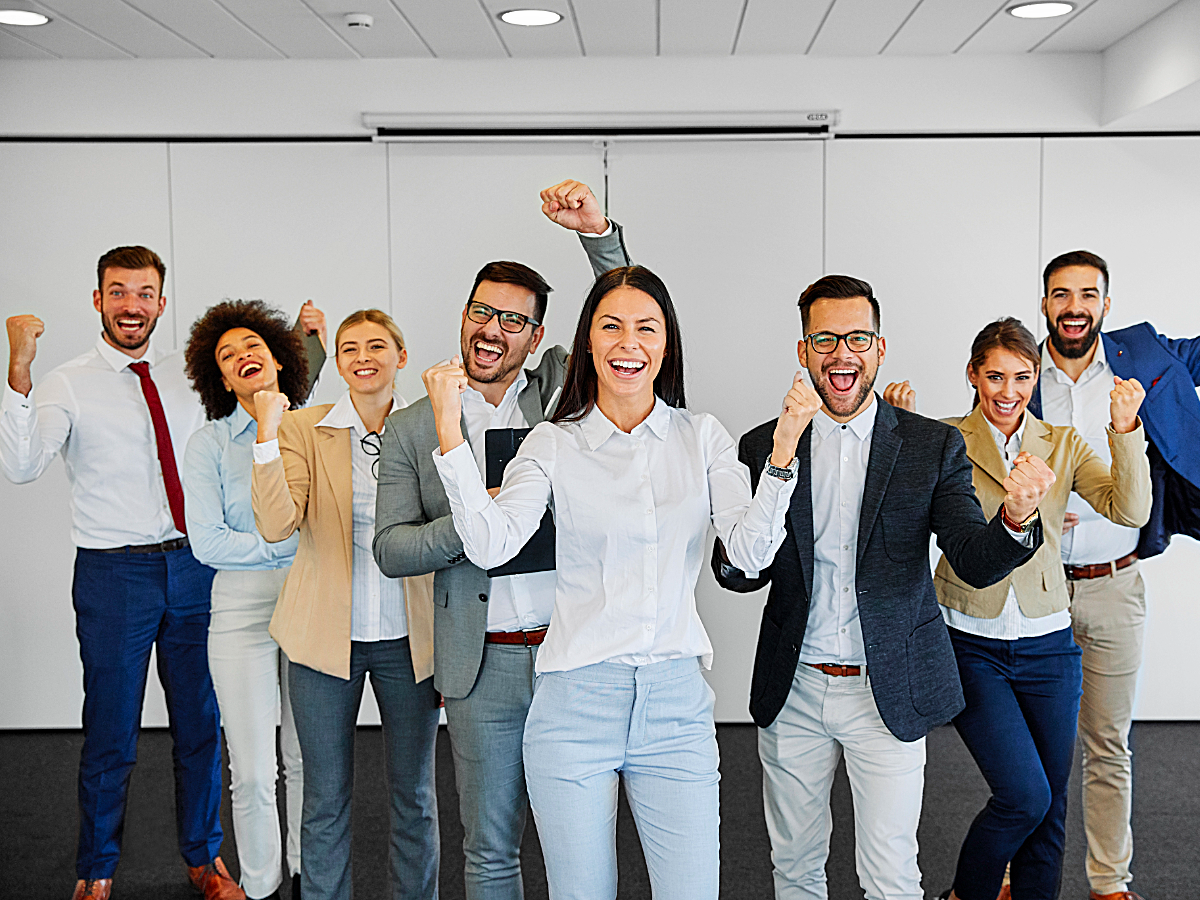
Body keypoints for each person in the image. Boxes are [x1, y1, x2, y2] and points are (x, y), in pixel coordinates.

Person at [426, 265, 811, 900]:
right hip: (574, 700)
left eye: (646, 328)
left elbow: (747, 553)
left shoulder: (702, 436)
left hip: (675, 702)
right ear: (587, 343)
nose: (628, 343)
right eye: (611, 326)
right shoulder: (552, 442)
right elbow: (491, 543)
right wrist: (448, 432)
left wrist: (782, 454)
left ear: (667, 344)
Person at [711, 276, 1055, 900]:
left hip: (888, 687)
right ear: (803, 349)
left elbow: (974, 561)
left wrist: (1017, 517)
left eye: (858, 338)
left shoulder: (930, 445)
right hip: (795, 687)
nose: (842, 353)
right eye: (825, 338)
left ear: (880, 347)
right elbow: (738, 573)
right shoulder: (765, 442)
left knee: (892, 875)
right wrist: (778, 466)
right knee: (794, 870)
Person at [372, 179, 629, 899]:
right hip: (480, 666)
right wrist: (478, 522)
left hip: (573, 654)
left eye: (513, 321)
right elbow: (391, 549)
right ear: (464, 316)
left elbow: (625, 312)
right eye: (483, 312)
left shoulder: (563, 391)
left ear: (537, 337)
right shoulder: (414, 424)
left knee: (584, 842)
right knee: (489, 847)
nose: (493, 330)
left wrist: (595, 230)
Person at [1, 246, 247, 900]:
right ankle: (97, 869)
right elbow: (22, 466)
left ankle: (205, 857)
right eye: (118, 292)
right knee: (112, 732)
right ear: (97, 300)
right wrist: (19, 369)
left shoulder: (190, 373)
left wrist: (306, 344)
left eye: (144, 293)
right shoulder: (65, 381)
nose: (131, 305)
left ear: (162, 303)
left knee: (201, 724)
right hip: (115, 577)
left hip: (196, 569)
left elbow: (256, 412)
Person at [885, 316, 1151, 900]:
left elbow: (1130, 509)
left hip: (1049, 646)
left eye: (1022, 377)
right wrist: (895, 424)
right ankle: (967, 894)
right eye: (995, 376)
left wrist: (1125, 428)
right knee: (1023, 796)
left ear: (1036, 379)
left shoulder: (1061, 442)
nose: (1009, 392)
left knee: (1050, 807)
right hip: (969, 642)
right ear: (974, 376)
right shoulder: (945, 438)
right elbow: (893, 510)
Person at [1029, 251, 1200, 900]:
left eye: (1088, 294)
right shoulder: (1019, 368)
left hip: (1115, 584)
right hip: (1035, 586)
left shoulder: (1144, 354)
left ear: (1106, 303)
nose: (1075, 305)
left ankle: (1109, 884)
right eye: (1061, 294)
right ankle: (1026, 873)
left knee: (1107, 744)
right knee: (1035, 757)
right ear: (1044, 302)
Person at [250, 308, 437, 900]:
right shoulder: (303, 428)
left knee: (415, 794)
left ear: (400, 358)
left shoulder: (432, 425)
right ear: (339, 360)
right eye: (350, 346)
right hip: (322, 639)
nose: (363, 356)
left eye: (377, 345)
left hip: (411, 638)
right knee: (325, 795)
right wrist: (264, 433)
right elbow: (278, 524)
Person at [182, 299, 326, 900]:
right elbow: (207, 542)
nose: (243, 356)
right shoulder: (209, 443)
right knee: (252, 769)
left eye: (253, 347)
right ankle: (261, 886)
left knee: (304, 760)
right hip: (238, 611)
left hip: (309, 603)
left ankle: (304, 879)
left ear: (278, 359)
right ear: (220, 377)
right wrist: (284, 545)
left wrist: (289, 549)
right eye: (228, 354)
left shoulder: (317, 426)